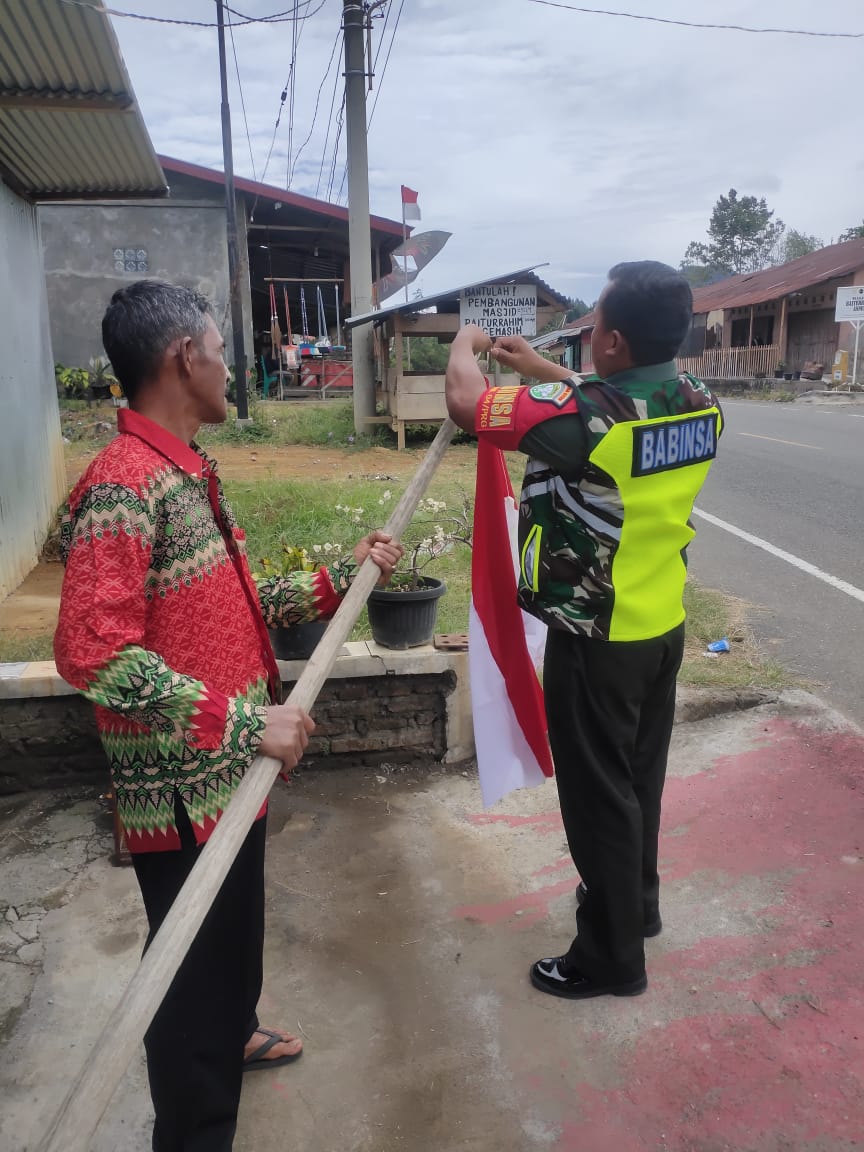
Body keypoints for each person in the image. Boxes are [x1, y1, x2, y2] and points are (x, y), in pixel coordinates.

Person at [54, 280, 402, 1151]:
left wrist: (334, 579)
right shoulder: (121, 488)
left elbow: (228, 604)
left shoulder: (184, 468)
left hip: (227, 779)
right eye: (218, 348)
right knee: (188, 981)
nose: (228, 366)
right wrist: (248, 727)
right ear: (184, 357)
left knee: (232, 944)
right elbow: (91, 652)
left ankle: (235, 1031)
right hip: (177, 794)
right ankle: (195, 1126)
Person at [445, 261, 722, 1001]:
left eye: (595, 324)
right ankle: (639, 910)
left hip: (597, 638)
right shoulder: (699, 401)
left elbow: (472, 407)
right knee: (637, 784)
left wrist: (464, 344)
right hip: (660, 624)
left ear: (613, 343)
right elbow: (610, 406)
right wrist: (544, 369)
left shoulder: (584, 418)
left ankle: (609, 959)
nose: (589, 332)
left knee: (599, 801)